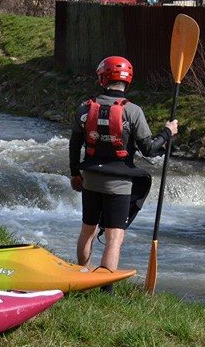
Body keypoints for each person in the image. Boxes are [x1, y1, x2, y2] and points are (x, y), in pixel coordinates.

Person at [69, 56, 178, 282]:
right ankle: (105, 286)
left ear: (102, 78)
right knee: (114, 237)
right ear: (128, 81)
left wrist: (74, 173)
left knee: (87, 231)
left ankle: (82, 276)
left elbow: (74, 145)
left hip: (90, 179)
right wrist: (167, 133)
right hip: (120, 184)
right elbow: (148, 149)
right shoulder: (133, 111)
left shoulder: (84, 108)